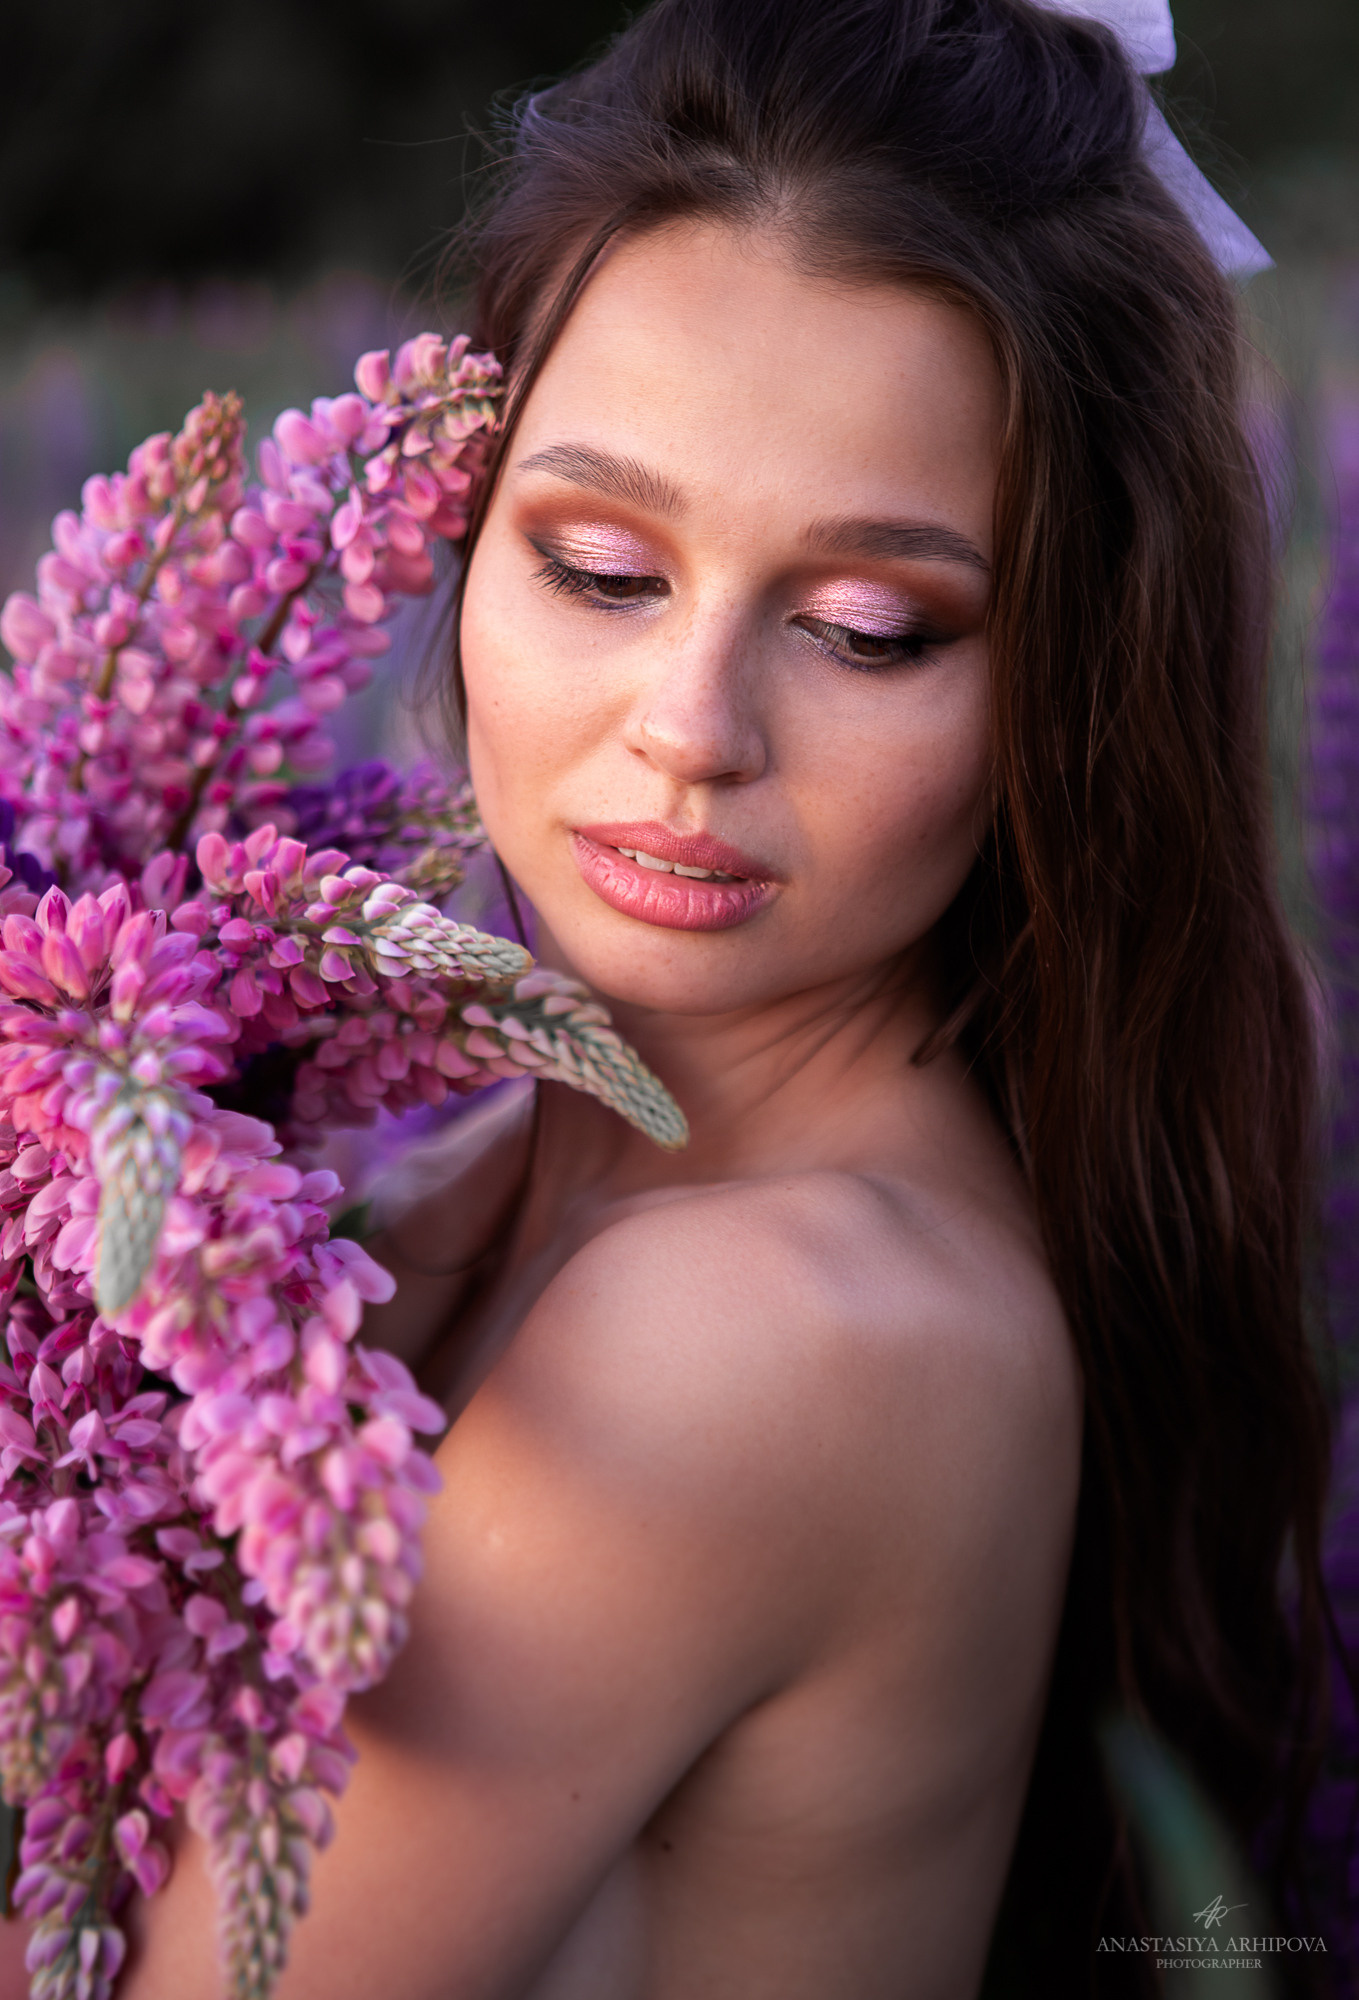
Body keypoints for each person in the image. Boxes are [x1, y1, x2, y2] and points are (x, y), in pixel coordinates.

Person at [117, 0, 1344, 1994]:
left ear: (1068, 682)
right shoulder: (454, 1187)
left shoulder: (753, 1338)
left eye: (869, 627)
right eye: (600, 568)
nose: (691, 730)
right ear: (458, 532)